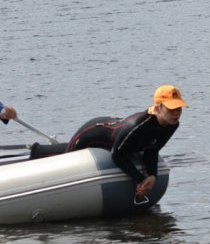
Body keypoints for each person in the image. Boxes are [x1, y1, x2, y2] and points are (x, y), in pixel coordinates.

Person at [32, 85, 187, 199]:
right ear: (158, 108)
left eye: (179, 108)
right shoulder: (138, 125)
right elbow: (118, 156)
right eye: (171, 109)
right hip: (93, 132)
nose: (176, 113)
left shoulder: (172, 124)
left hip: (118, 138)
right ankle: (37, 152)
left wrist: (152, 176)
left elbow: (152, 149)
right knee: (68, 155)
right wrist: (140, 180)